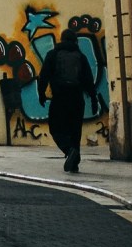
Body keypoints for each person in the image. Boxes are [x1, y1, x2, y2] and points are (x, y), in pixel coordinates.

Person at [36, 29, 103, 173]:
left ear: (61, 39)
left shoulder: (52, 55)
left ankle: (69, 150)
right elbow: (88, 79)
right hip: (77, 98)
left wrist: (41, 94)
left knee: (55, 128)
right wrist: (93, 99)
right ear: (75, 41)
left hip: (60, 98)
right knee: (75, 131)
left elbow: (44, 76)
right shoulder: (81, 56)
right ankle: (74, 163)